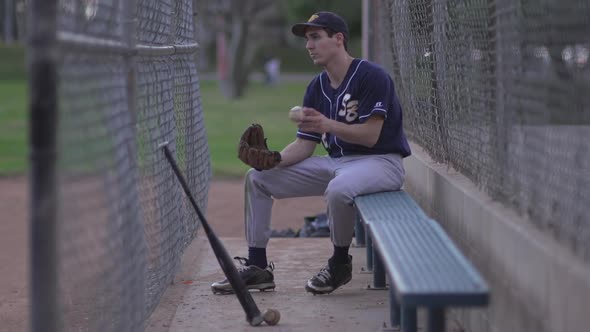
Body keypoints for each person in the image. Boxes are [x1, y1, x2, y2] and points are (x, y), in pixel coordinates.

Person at [211, 11, 411, 295]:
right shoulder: (316, 87)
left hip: (380, 162)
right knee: (257, 178)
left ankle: (340, 262)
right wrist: (276, 160)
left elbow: (371, 136)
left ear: (338, 39)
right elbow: (305, 145)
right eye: (307, 39)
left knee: (338, 189)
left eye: (316, 37)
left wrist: (328, 124)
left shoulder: (371, 76)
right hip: (336, 163)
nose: (309, 46)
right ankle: (257, 267)